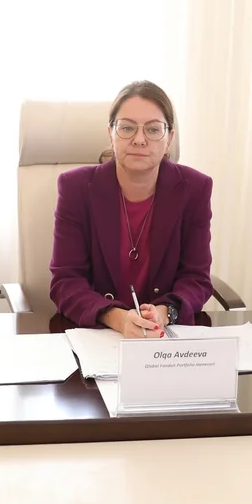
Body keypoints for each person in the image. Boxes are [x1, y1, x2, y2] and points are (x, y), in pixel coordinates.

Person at [49, 81, 214, 336]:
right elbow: (66, 282)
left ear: (169, 139)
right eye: (127, 128)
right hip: (97, 335)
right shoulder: (75, 188)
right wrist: (117, 318)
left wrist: (164, 312)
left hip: (164, 339)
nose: (139, 140)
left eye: (153, 129)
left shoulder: (195, 189)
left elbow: (196, 279)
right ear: (111, 134)